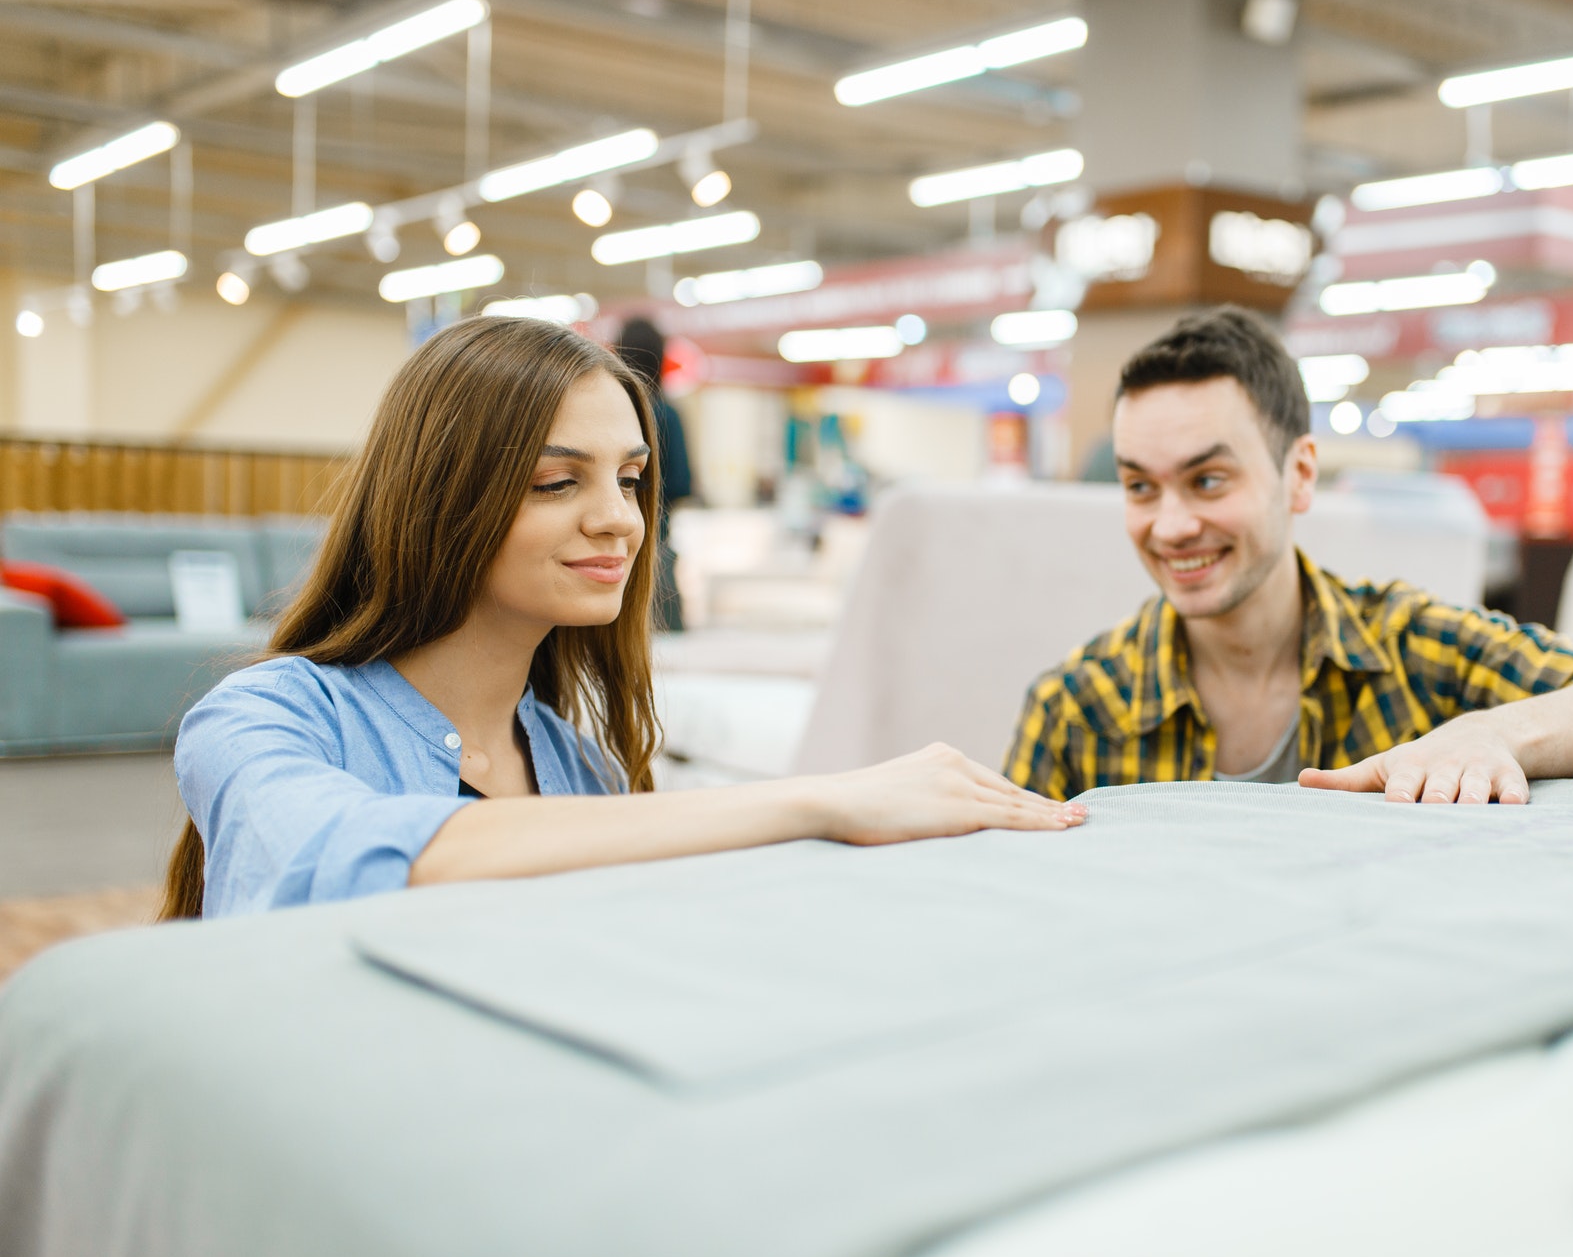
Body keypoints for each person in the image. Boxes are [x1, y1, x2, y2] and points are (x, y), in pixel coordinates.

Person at [165, 316, 1083, 920]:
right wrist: (820, 797)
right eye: (558, 481)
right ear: (442, 497)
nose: (619, 518)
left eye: (633, 479)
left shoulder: (577, 765)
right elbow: (338, 859)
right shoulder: (266, 717)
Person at [1004, 305, 1573, 804]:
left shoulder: (1413, 652)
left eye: (1208, 481)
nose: (1171, 526)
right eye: (1141, 486)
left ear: (1301, 475)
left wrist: (1495, 733)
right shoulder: (1077, 710)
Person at [614, 315, 692, 631]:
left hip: (610, 546)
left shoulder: (612, 411)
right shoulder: (666, 414)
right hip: (654, 544)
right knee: (664, 646)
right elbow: (681, 483)